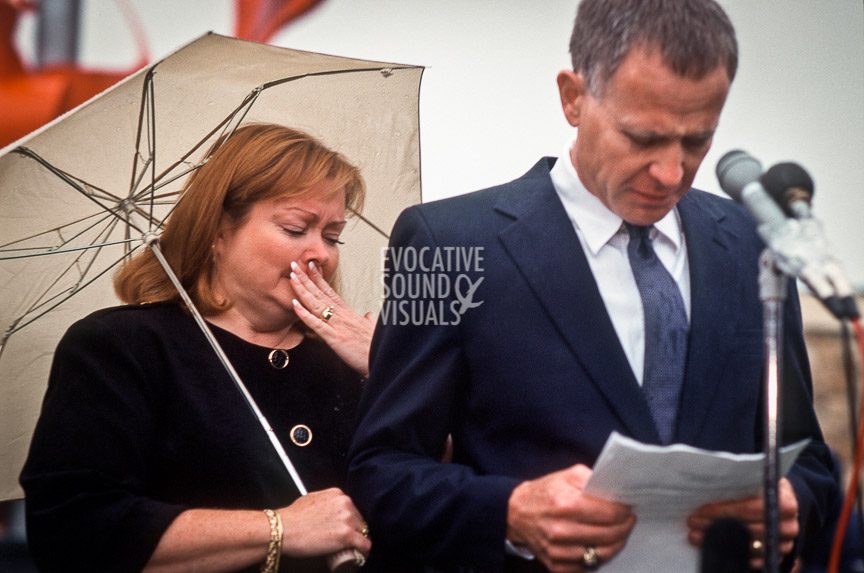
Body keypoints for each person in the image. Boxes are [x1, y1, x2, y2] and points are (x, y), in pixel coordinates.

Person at [347, 1, 839, 571]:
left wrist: (792, 502)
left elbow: (812, 462)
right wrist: (508, 511)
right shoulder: (443, 242)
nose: (670, 173)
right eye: (642, 138)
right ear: (573, 97)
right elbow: (380, 467)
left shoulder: (755, 244)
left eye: (696, 142)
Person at [20, 123, 376, 572]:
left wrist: (388, 372)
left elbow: (435, 493)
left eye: (332, 236)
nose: (320, 253)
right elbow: (75, 530)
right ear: (217, 232)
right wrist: (279, 529)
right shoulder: (124, 347)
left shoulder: (354, 363)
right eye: (295, 228)